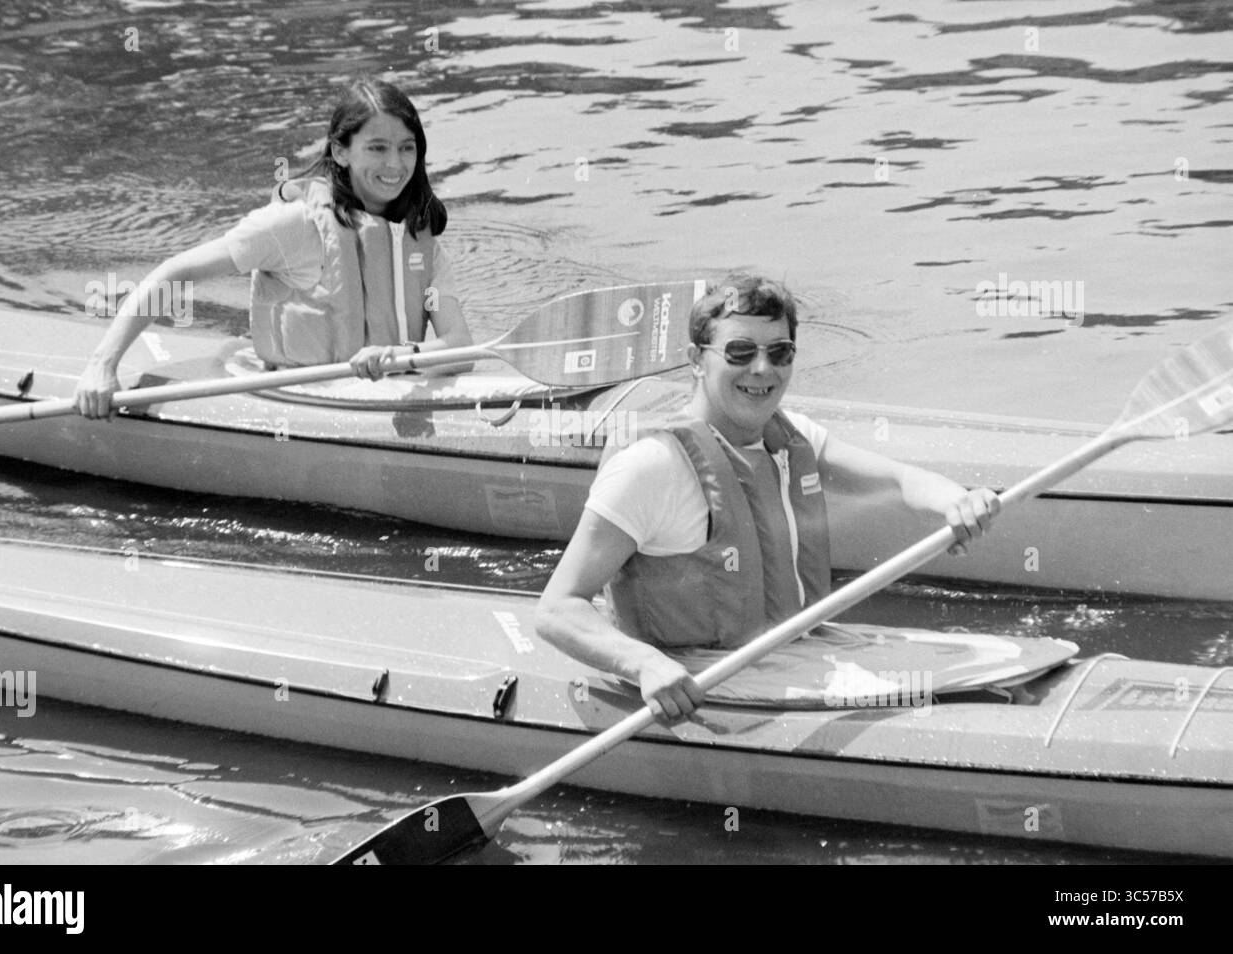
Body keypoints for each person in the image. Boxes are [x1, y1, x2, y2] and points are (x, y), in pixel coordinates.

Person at [534, 274, 1001, 722]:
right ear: (696, 359)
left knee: (994, 685)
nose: (762, 369)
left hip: (788, 655)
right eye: (739, 352)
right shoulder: (652, 467)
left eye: (780, 352)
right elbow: (557, 608)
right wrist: (642, 664)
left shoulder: (791, 439)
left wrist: (953, 500)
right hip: (699, 675)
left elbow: (897, 481)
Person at [75, 76, 473, 418]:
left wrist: (405, 355)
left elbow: (459, 346)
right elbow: (175, 272)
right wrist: (103, 364)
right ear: (340, 151)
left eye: (406, 147)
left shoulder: (420, 239)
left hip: (387, 395)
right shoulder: (294, 226)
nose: (395, 164)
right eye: (377, 147)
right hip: (301, 401)